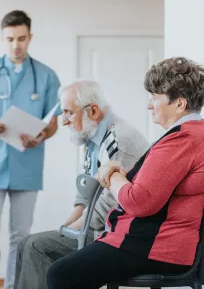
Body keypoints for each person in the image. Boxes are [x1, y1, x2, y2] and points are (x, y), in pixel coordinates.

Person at [47, 57, 204, 289]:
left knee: (60, 274)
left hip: (152, 246)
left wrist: (112, 174)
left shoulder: (180, 140)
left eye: (155, 97)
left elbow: (139, 202)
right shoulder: (193, 135)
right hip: (158, 244)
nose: (149, 105)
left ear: (180, 104)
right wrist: (120, 175)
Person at [0, 10, 61, 289]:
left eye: (21, 38)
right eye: (10, 39)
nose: (16, 45)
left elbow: (53, 123)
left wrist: (42, 135)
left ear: (30, 37)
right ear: (2, 39)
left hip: (27, 162)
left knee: (21, 234)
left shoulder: (46, 76)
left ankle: (16, 285)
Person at [14, 79, 149, 289]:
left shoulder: (120, 142)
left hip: (118, 233)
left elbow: (109, 208)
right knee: (26, 243)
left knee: (36, 245)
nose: (64, 121)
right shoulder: (93, 136)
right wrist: (65, 227)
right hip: (101, 225)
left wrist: (65, 231)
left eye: (69, 113)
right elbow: (84, 195)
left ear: (93, 111)